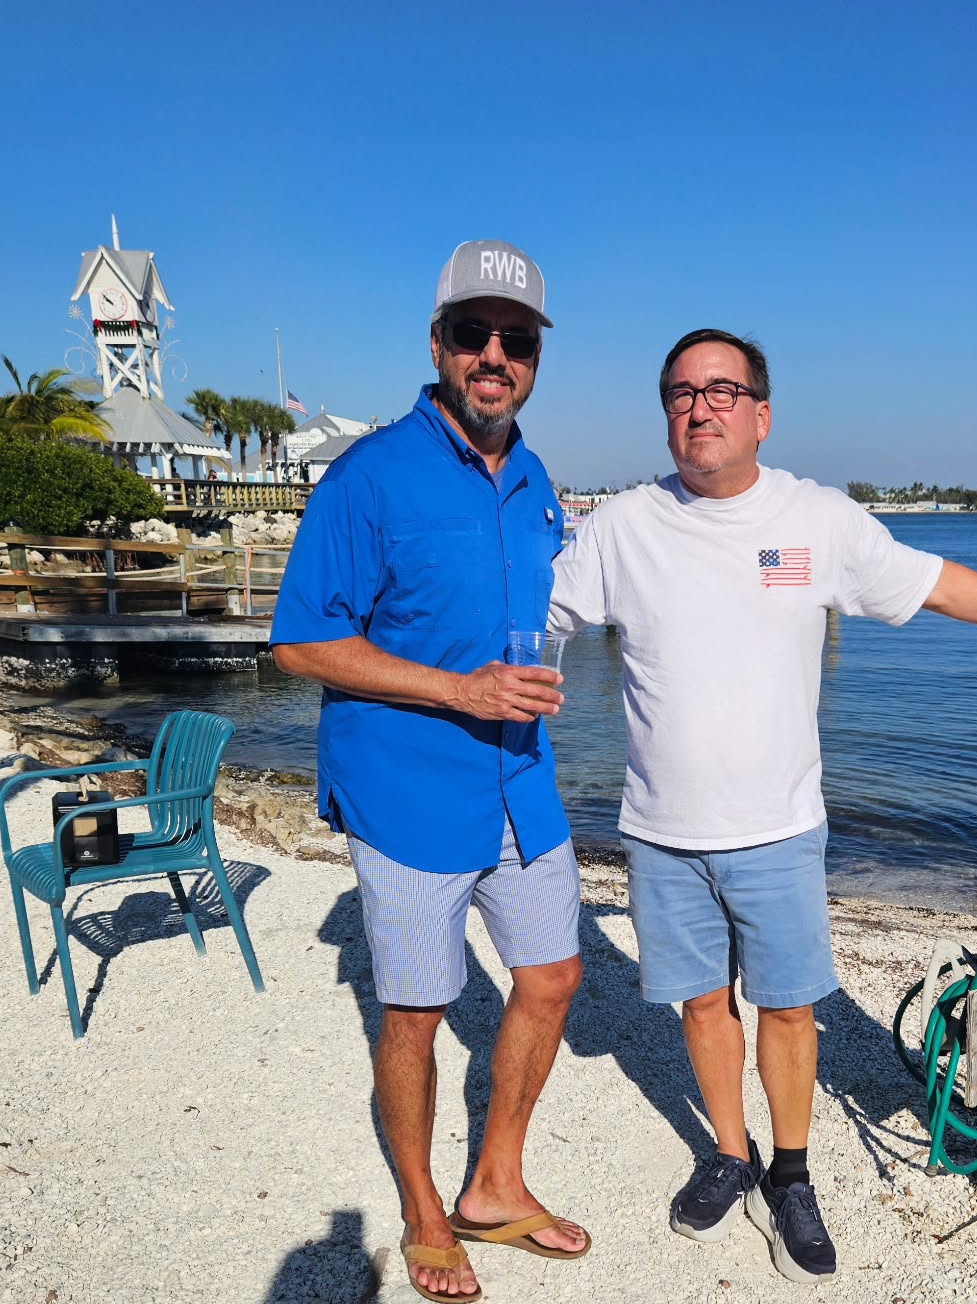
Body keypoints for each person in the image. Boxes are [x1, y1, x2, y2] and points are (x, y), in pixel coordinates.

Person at [548, 328, 977, 1287]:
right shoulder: (621, 525)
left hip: (781, 830)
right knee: (705, 1008)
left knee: (787, 1011)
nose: (698, 408)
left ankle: (790, 1173)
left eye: (720, 390)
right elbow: (538, 621)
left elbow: (935, 583)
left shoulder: (815, 518)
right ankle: (728, 1154)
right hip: (661, 834)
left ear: (761, 413)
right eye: (678, 394)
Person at [272, 240, 591, 1303]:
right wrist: (458, 691)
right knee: (415, 1013)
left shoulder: (539, 477)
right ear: (439, 344)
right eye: (474, 334)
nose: (495, 355)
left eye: (518, 339)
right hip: (407, 790)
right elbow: (302, 643)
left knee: (552, 978)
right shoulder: (370, 476)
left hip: (521, 780)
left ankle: (495, 1184)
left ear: (536, 357)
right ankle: (421, 1208)